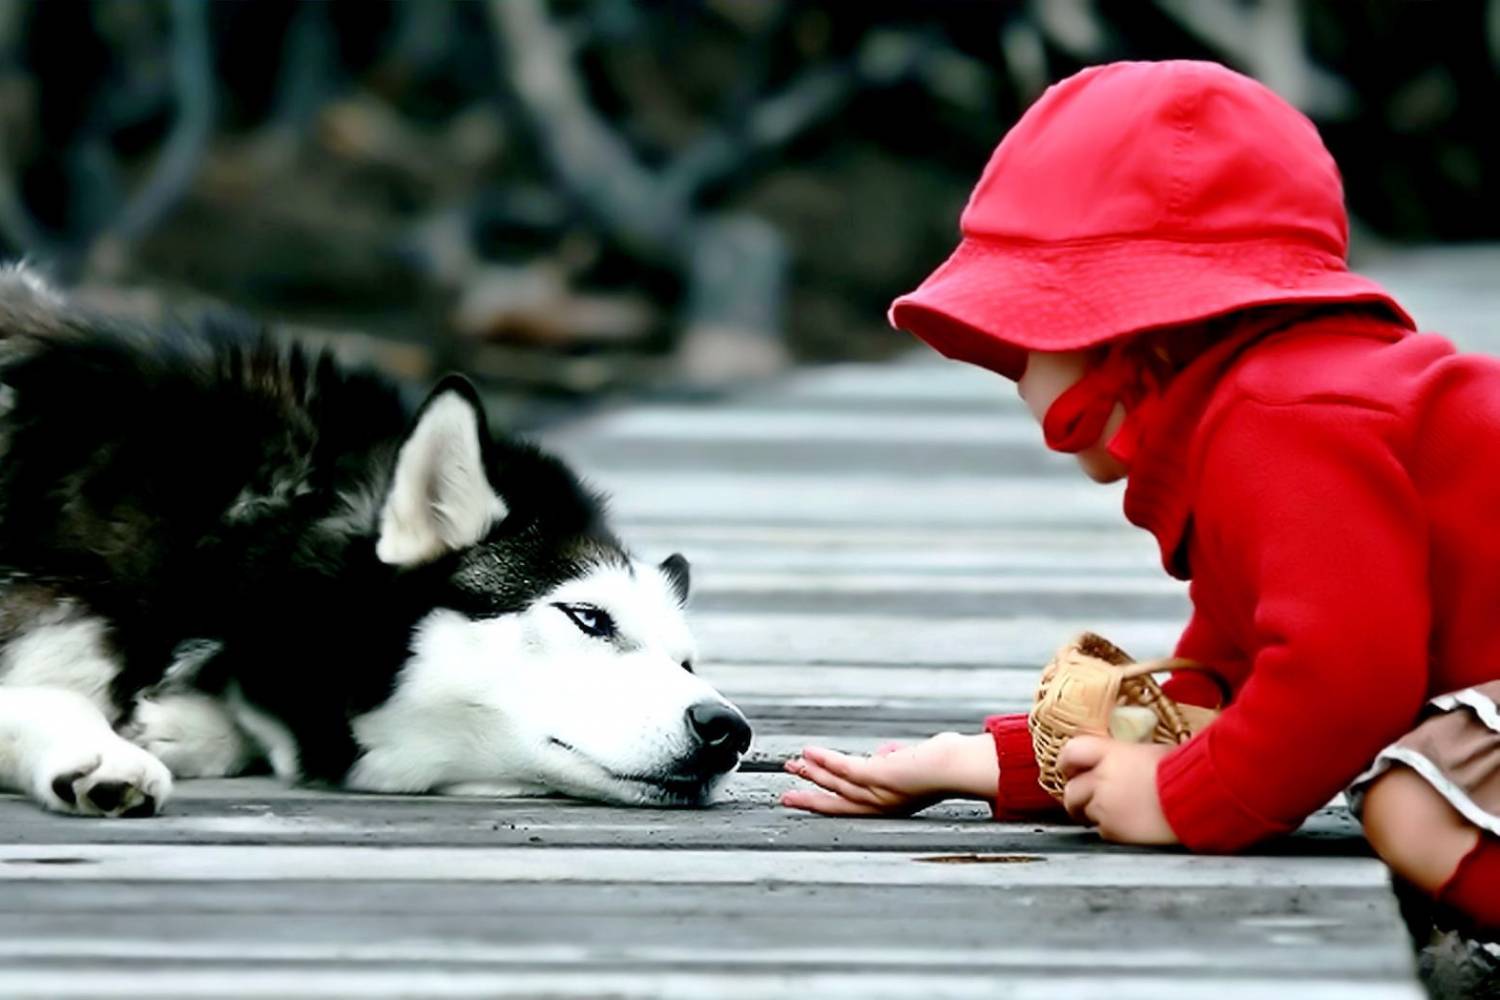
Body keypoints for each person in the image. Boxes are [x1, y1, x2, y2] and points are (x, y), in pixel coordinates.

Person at [781, 60, 1499, 935]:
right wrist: (977, 763)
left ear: (1127, 340)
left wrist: (1183, 803)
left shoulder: (1284, 418)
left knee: (1417, 807)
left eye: (1017, 341)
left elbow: (1345, 676)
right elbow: (1226, 693)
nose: (1012, 377)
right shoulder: (1273, 415)